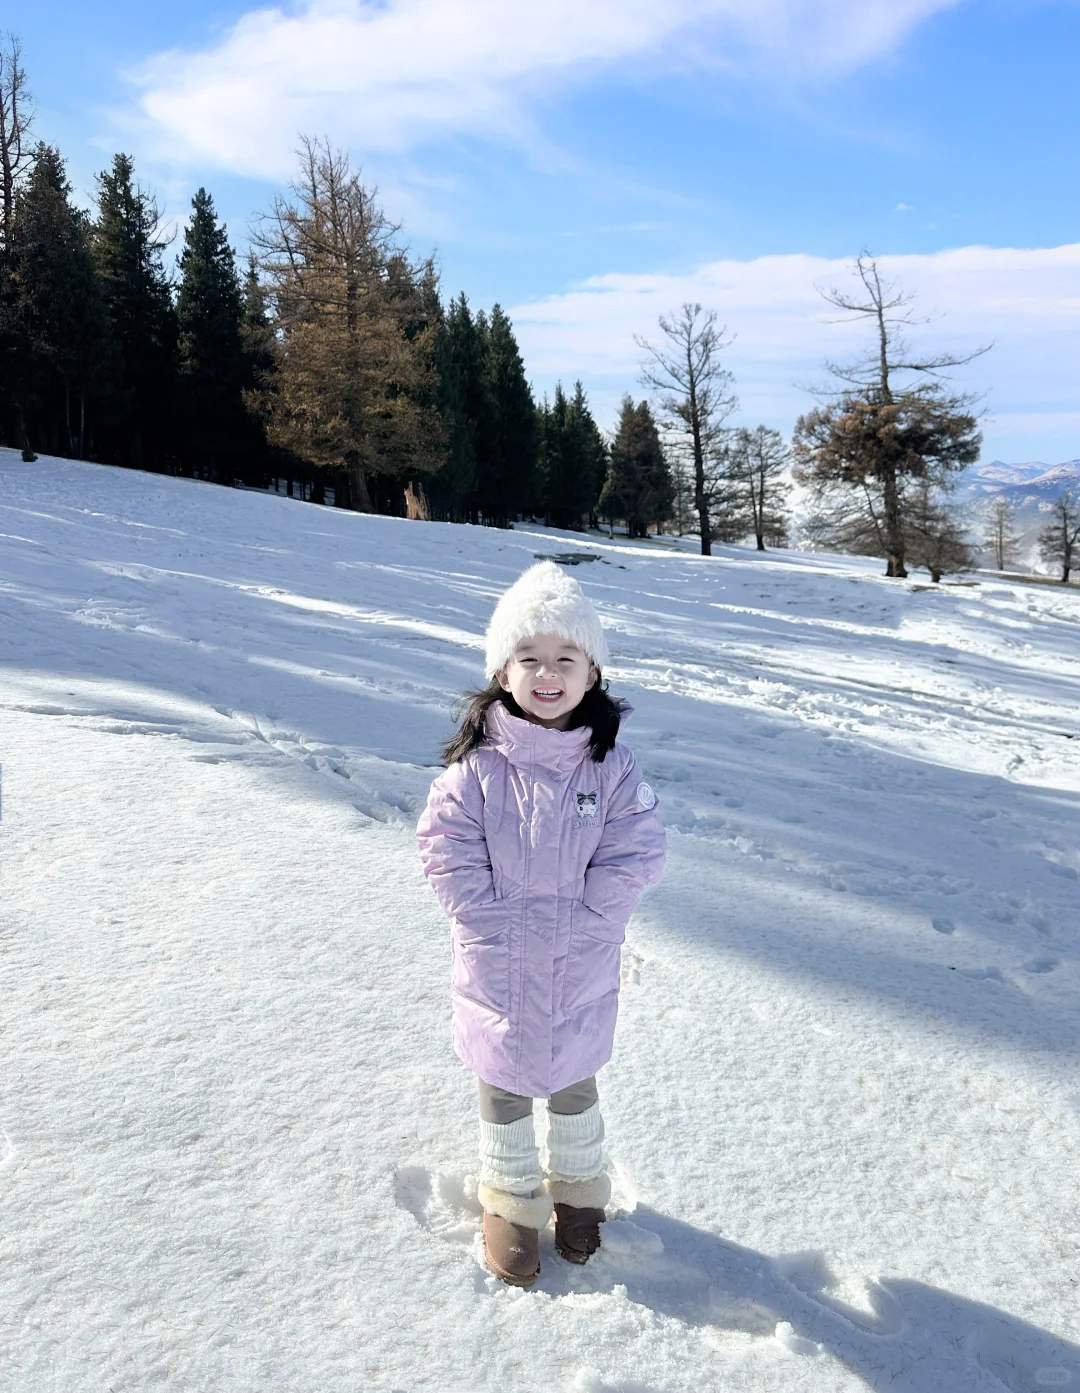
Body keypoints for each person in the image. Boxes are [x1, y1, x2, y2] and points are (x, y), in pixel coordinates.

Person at [416, 561, 667, 1287]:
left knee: (573, 1075)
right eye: (530, 658)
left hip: (580, 958)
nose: (547, 673)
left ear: (592, 673)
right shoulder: (479, 768)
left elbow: (637, 845)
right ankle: (511, 1200)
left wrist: (597, 912)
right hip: (496, 958)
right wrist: (483, 913)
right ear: (502, 671)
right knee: (502, 1079)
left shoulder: (610, 767)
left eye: (566, 658)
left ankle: (579, 1190)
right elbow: (444, 842)